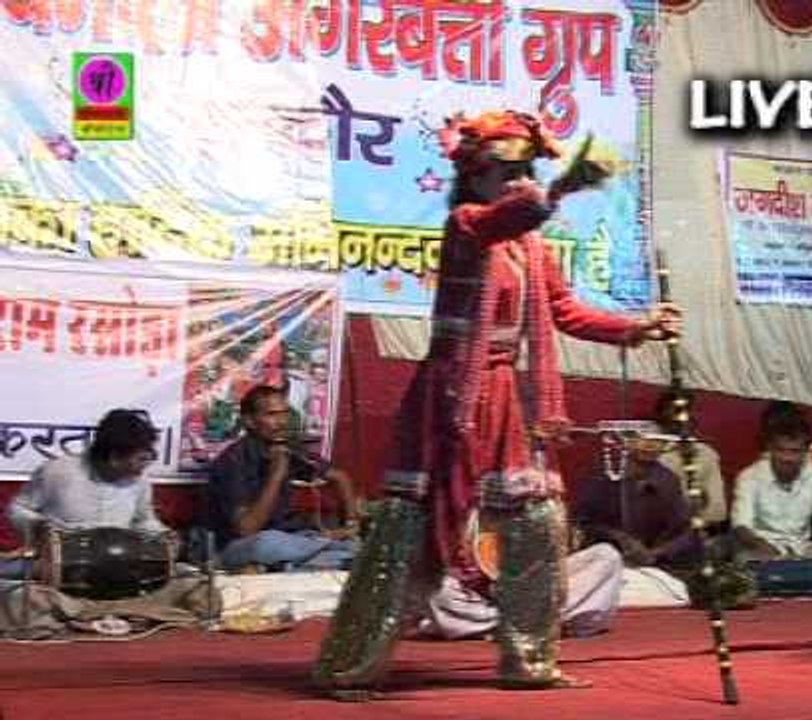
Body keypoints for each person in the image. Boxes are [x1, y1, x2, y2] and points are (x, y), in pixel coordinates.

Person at [313, 110, 682, 697]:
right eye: (504, 172)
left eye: (526, 171)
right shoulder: (466, 226)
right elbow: (510, 216)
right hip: (452, 398)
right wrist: (559, 189)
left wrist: (638, 326)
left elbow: (566, 312)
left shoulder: (530, 247)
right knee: (413, 530)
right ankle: (349, 665)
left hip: (508, 397)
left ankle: (528, 659)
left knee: (536, 523)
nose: (517, 181)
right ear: (474, 177)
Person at [207, 385, 360, 572]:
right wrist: (276, 475)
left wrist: (351, 523)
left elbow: (340, 477)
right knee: (267, 543)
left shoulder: (286, 449)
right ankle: (315, 555)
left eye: (284, 414)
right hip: (238, 546)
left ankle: (293, 564)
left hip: (290, 539)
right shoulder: (232, 461)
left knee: (349, 546)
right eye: (272, 415)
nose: (281, 422)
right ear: (249, 421)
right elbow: (247, 529)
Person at [7, 409, 171, 544]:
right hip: (59, 564)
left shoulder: (139, 481)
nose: (146, 464)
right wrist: (38, 526)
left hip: (117, 563)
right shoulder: (57, 472)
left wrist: (163, 535)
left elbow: (143, 520)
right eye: (141, 459)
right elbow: (18, 509)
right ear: (114, 458)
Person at [417, 543, 624, 641]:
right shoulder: (453, 495)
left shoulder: (537, 486)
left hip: (535, 586)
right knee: (435, 587)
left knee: (606, 555)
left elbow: (550, 555)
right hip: (476, 592)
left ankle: (512, 624)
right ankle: (533, 623)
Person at [731, 401, 812, 561]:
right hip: (762, 549)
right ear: (770, 449)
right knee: (745, 558)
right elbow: (741, 526)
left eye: (795, 451)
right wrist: (761, 546)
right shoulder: (749, 477)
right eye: (781, 450)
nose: (788, 458)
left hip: (803, 548)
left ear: (806, 452)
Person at [575, 434, 699, 572]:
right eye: (642, 437)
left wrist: (656, 553)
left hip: (653, 564)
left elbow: (684, 531)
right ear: (627, 441)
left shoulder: (668, 479)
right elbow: (583, 522)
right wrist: (620, 538)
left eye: (657, 440)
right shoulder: (605, 474)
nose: (649, 445)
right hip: (605, 559)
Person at [652, 389, 728, 528]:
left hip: (697, 529)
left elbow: (717, 511)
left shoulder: (707, 454)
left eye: (688, 410)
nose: (683, 417)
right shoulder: (647, 452)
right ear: (661, 417)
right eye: (676, 410)